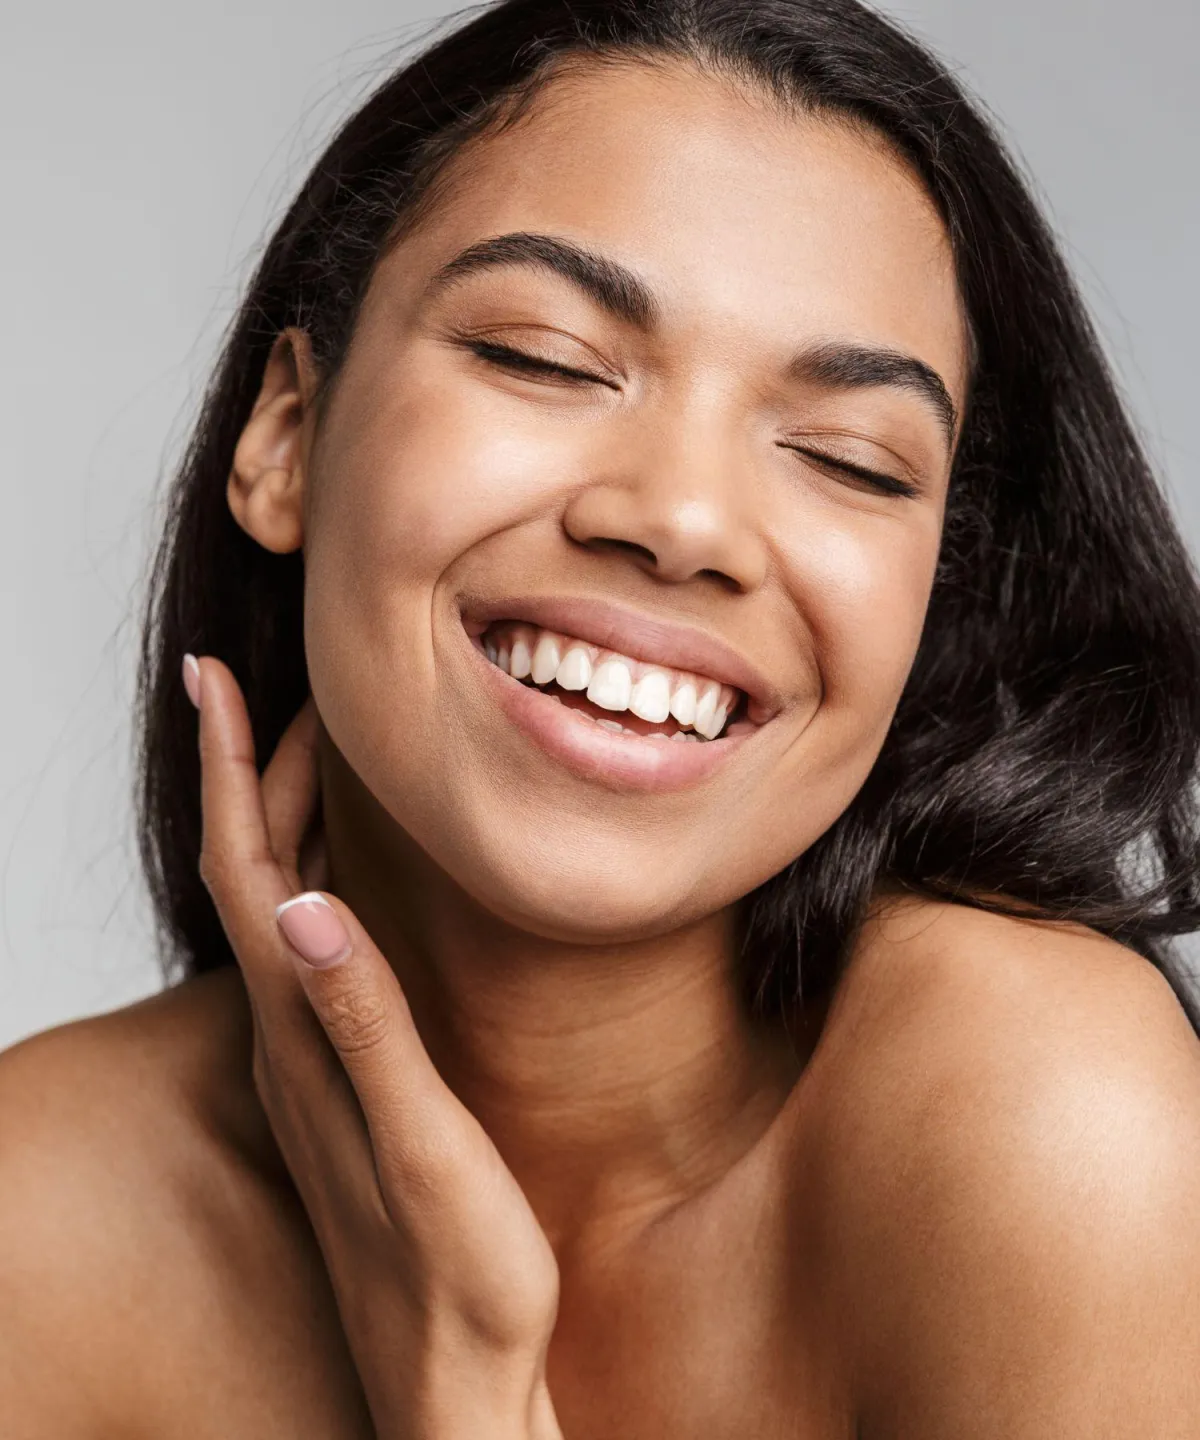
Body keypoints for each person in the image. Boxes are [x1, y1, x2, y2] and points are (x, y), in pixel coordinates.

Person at [3, 0, 1200, 1433]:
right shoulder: (40, 1222)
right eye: (546, 359)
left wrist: (464, 1394)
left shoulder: (1044, 1121)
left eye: (849, 459)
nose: (685, 521)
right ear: (286, 435)